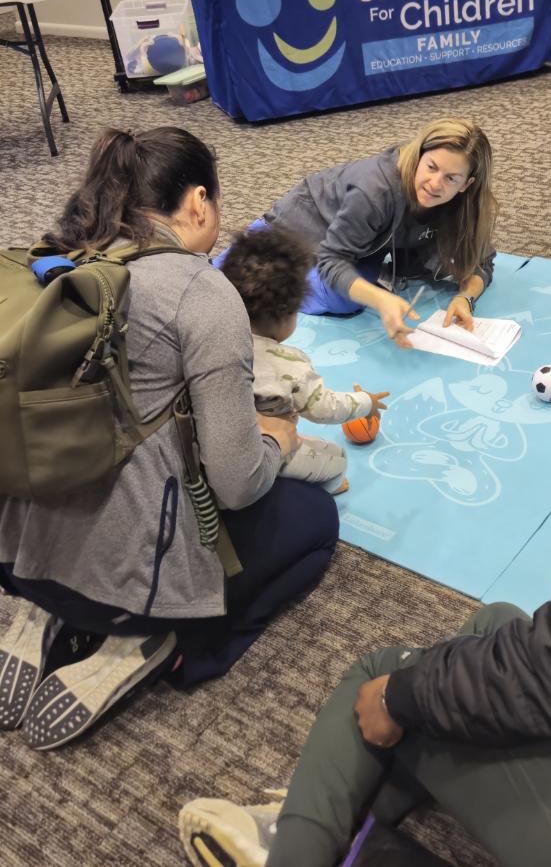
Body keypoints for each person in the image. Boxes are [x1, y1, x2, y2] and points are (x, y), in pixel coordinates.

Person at [179, 278, 551, 867]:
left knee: (385, 679)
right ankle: (347, 823)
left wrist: (406, 697)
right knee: (498, 621)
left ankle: (294, 848)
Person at [0, 127, 339, 749]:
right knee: (314, 521)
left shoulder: (53, 255)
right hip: (126, 591)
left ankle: (38, 606)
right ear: (198, 201)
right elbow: (236, 485)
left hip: (14, 554)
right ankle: (170, 645)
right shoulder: (202, 292)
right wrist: (278, 444)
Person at [222, 118, 497, 351]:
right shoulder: (375, 190)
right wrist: (381, 300)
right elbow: (333, 260)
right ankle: (235, 263)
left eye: (451, 178)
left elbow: (480, 261)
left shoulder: (464, 205)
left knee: (381, 281)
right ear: (419, 155)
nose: (435, 184)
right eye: (431, 167)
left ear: (466, 184)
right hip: (296, 229)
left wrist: (465, 298)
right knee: (342, 299)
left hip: (363, 243)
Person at [219, 226, 389, 496]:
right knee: (336, 457)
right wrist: (366, 402)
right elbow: (325, 408)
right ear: (288, 315)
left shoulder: (214, 340)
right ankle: (329, 488)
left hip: (216, 447)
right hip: (262, 454)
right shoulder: (288, 364)